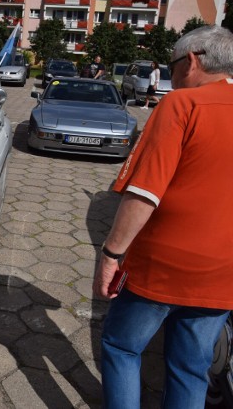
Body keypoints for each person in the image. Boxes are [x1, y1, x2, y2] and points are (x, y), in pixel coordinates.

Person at [92, 25, 233, 409]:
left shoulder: (181, 105)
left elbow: (144, 193)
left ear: (192, 60)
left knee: (122, 347)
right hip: (224, 275)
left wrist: (110, 255)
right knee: (191, 369)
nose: (171, 77)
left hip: (162, 267)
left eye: (171, 67)